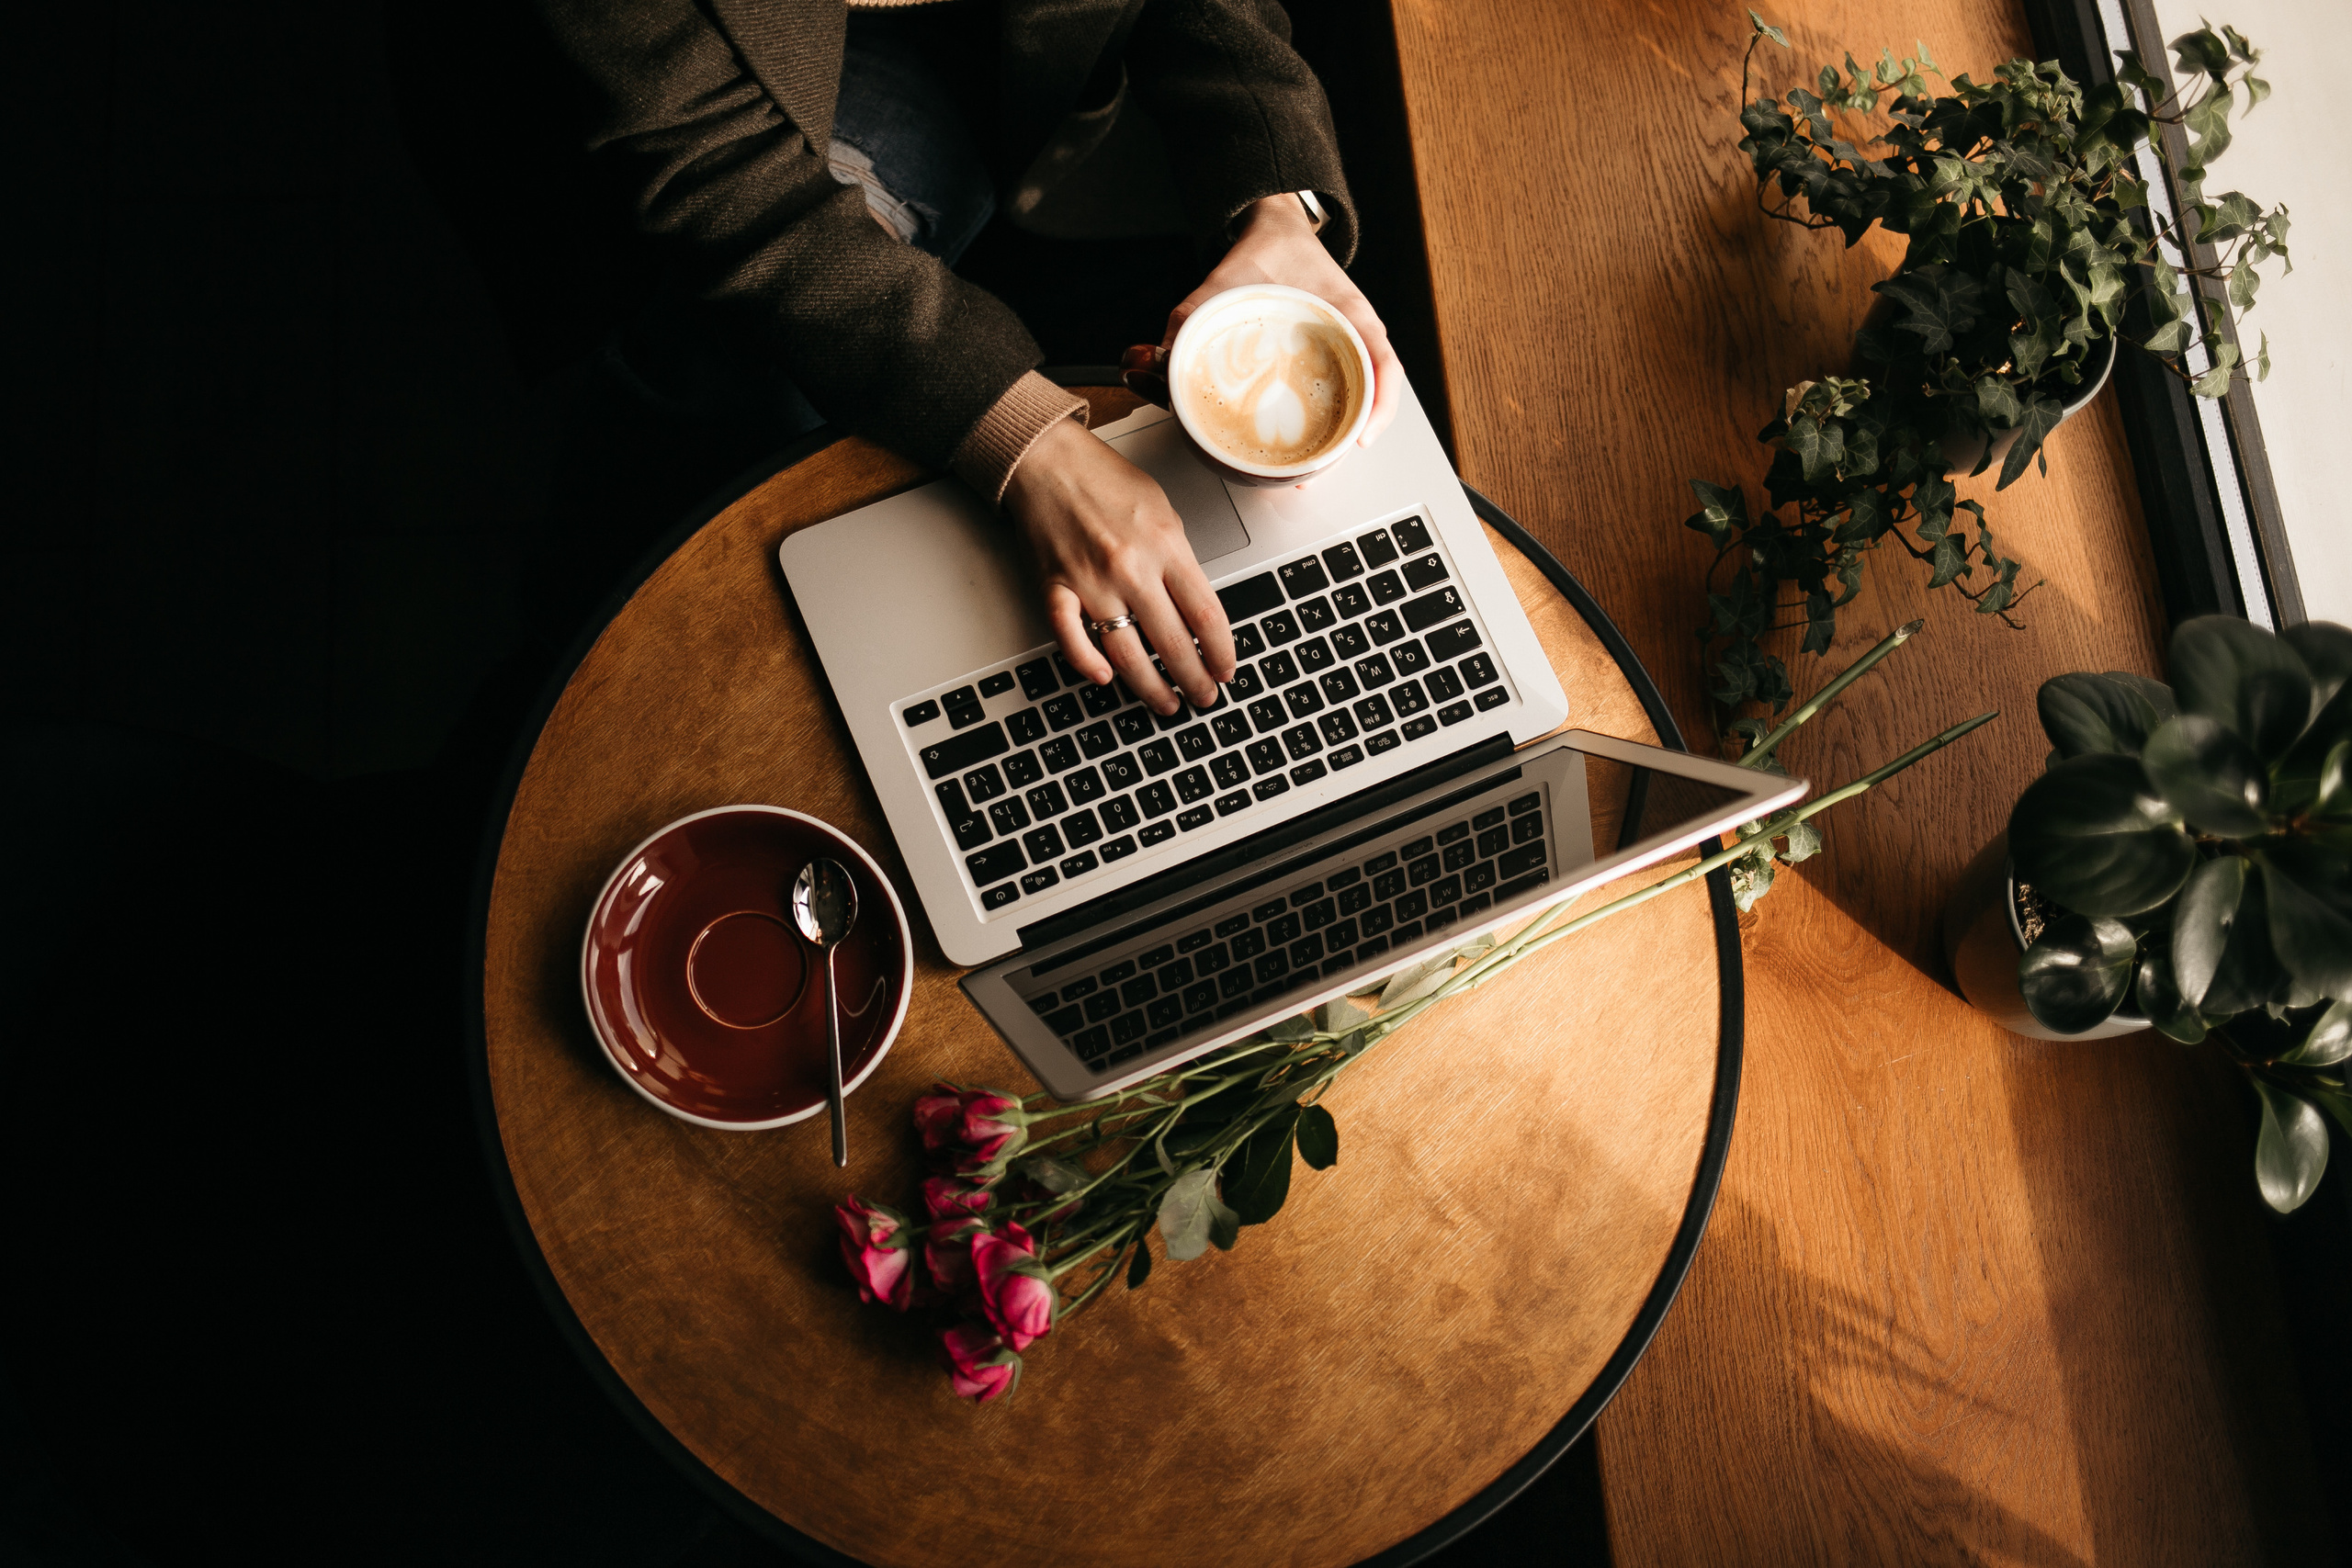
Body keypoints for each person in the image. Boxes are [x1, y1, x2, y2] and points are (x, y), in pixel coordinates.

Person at [536, 0, 1401, 716]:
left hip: (1002, 37)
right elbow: (713, 165)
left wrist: (1280, 209)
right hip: (714, 85)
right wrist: (1024, 439)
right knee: (725, 384)